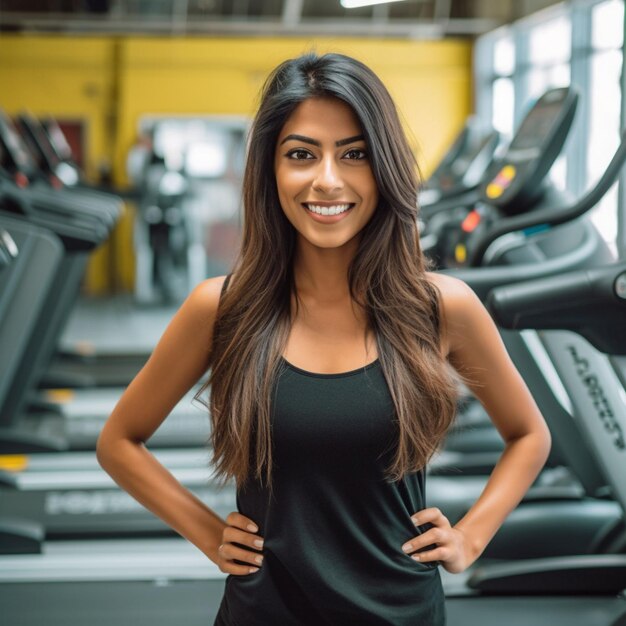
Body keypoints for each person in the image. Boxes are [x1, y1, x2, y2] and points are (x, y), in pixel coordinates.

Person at [97, 52, 551, 625]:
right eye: (301, 155)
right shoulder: (222, 308)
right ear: (271, 170)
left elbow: (529, 434)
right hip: (265, 612)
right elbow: (118, 441)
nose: (328, 179)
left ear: (384, 167)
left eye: (354, 154)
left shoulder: (441, 307)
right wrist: (208, 534)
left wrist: (471, 538)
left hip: (401, 611)